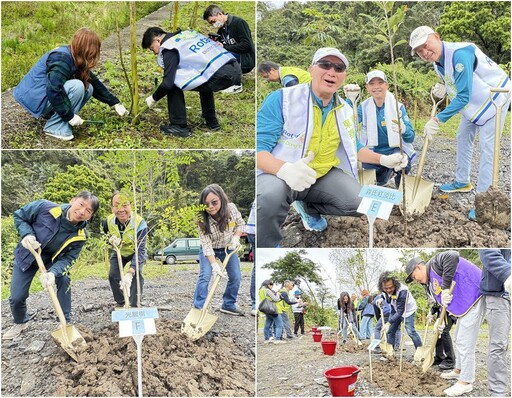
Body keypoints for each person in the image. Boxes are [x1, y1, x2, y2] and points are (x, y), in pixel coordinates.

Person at [256, 47, 408, 248]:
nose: (331, 72)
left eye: (338, 67)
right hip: (280, 174)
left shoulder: (344, 109)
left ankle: (309, 208)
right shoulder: (283, 100)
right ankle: (268, 247)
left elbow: (355, 147)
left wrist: (383, 159)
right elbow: (257, 151)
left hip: (322, 175)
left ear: (344, 76)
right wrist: (284, 169)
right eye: (325, 65)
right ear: (311, 69)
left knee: (360, 202)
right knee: (268, 198)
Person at [409, 26, 511, 221]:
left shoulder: (460, 54)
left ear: (437, 37)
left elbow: (463, 96)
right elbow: (455, 84)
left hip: (494, 98)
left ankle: (483, 203)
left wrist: (438, 119)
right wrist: (443, 88)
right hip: (473, 102)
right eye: (419, 51)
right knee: (463, 137)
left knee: (488, 149)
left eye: (426, 45)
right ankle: (463, 181)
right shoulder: (437, 61)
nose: (424, 52)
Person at [3, 192, 99, 340]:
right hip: (28, 253)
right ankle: (20, 322)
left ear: (90, 216)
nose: (81, 212)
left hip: (53, 260)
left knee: (64, 279)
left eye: (88, 211)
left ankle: (64, 322)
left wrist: (53, 273)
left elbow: (69, 259)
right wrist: (27, 235)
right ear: (72, 200)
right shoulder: (45, 208)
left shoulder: (81, 235)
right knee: (17, 297)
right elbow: (19, 216)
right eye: (81, 204)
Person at [13, 28, 128, 141]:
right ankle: (54, 127)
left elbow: (94, 82)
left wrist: (115, 103)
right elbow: (53, 90)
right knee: (77, 86)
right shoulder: (62, 58)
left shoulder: (75, 57)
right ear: (85, 49)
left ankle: (54, 117)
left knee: (89, 88)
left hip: (42, 96)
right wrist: (69, 116)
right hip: (34, 99)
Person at [405, 251, 485, 396]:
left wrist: (446, 287)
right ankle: (458, 370)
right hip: (465, 306)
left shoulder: (435, 264)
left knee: (464, 341)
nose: (415, 280)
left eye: (413, 277)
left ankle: (466, 381)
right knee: (458, 338)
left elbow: (452, 255)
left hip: (475, 295)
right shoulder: (430, 283)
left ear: (418, 267)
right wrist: (439, 322)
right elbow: (444, 302)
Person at [142, 27, 242, 137]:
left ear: (157, 40)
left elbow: (167, 84)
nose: (155, 53)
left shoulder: (169, 48)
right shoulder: (185, 35)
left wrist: (153, 98)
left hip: (221, 74)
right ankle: (212, 122)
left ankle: (179, 126)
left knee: (173, 83)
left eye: (152, 48)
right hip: (234, 67)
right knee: (201, 77)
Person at [350, 70, 416, 187]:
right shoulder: (363, 107)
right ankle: (382, 178)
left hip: (393, 150)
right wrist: (350, 101)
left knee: (404, 163)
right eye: (372, 84)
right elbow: (349, 121)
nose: (376, 87)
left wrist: (404, 129)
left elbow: (410, 137)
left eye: (380, 82)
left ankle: (400, 187)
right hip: (373, 151)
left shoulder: (398, 107)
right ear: (367, 87)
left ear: (386, 85)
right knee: (372, 174)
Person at [193, 184, 245, 315]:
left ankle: (228, 304)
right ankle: (198, 308)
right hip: (210, 249)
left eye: (214, 202)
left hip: (228, 247)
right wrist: (214, 264)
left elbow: (240, 224)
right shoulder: (201, 219)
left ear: (221, 198)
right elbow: (206, 244)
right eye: (206, 204)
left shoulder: (231, 208)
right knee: (205, 276)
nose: (210, 207)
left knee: (236, 276)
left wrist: (236, 238)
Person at [102, 192, 148, 309]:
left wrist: (130, 273)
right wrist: (111, 242)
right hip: (119, 252)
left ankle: (134, 304)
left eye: (124, 205)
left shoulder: (140, 223)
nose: (121, 209)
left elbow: (141, 251)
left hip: (135, 252)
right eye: (116, 205)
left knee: (137, 275)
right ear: (112, 208)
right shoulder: (107, 222)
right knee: (113, 275)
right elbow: (105, 238)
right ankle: (121, 302)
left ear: (130, 206)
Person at [479, 249, 511, 397]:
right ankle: (497, 392)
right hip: (499, 294)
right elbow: (487, 252)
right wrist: (507, 275)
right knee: (498, 345)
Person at [375, 272, 423, 353]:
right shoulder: (385, 290)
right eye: (386, 288)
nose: (388, 290)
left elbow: (401, 311)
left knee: (411, 332)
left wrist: (388, 323)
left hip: (408, 311)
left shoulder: (403, 291)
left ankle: (420, 351)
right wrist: (381, 299)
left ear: (395, 284)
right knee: (390, 331)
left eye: (391, 287)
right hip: (395, 309)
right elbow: (386, 296)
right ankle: (390, 352)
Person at [203, 4, 255, 74]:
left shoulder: (239, 23)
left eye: (214, 21)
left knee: (221, 57)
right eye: (211, 23)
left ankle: (236, 81)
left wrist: (224, 47)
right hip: (233, 55)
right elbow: (222, 43)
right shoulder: (221, 30)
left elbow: (246, 44)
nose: (213, 25)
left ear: (220, 14)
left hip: (245, 59)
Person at [429, 300, 456, 370]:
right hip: (442, 309)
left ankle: (450, 360)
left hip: (450, 309)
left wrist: (443, 317)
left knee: (444, 331)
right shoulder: (429, 289)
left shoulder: (441, 288)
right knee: (437, 332)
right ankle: (439, 357)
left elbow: (446, 298)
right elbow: (437, 300)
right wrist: (431, 312)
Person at [259, 280, 284, 344]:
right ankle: (277, 339)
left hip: (265, 308)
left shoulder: (261, 290)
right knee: (279, 324)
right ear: (268, 284)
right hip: (271, 309)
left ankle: (266, 339)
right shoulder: (267, 290)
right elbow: (275, 299)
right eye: (271, 285)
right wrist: (278, 294)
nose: (272, 287)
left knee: (267, 324)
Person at [246, 202, 256, 316]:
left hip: (251, 229)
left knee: (257, 266)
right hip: (256, 230)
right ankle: (255, 304)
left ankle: (255, 303)